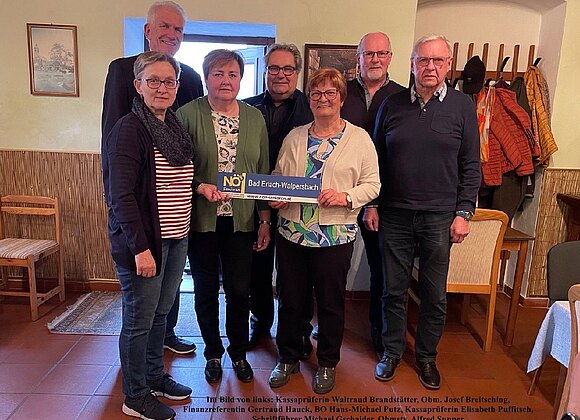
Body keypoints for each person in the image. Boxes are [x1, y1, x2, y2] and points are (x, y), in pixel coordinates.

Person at [368, 34, 481, 390]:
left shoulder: (463, 106)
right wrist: (372, 203)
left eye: (437, 61)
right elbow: (375, 162)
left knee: (434, 294)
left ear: (448, 65)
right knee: (392, 290)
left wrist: (464, 212)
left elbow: (471, 164)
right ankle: (391, 352)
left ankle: (427, 357)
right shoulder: (391, 104)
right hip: (394, 214)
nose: (430, 67)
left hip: (440, 217)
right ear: (412, 64)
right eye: (423, 60)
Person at [268, 68, 380, 394]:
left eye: (330, 93)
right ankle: (287, 357)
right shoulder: (295, 136)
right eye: (316, 93)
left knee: (330, 304)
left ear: (341, 99)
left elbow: (372, 184)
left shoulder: (359, 139)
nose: (323, 99)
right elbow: (279, 176)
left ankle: (328, 362)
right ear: (310, 100)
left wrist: (346, 197)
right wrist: (276, 195)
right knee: (290, 300)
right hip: (292, 233)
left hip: (335, 235)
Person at [101, 0, 203, 355]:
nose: (171, 34)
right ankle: (138, 372)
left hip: (176, 213)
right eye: (164, 26)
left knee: (165, 297)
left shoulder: (190, 77)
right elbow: (112, 138)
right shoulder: (122, 71)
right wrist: (116, 201)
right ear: (148, 30)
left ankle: (164, 338)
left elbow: (189, 138)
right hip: (139, 204)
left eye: (178, 29)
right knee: (140, 309)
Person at [102, 51, 194, 420]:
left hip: (176, 237)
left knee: (160, 314)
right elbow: (121, 196)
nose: (162, 88)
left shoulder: (172, 126)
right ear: (138, 85)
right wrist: (140, 248)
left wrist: (201, 188)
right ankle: (135, 395)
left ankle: (155, 377)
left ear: (177, 86)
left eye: (169, 81)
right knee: (139, 321)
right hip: (145, 244)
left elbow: (175, 182)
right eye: (153, 80)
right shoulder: (129, 129)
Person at [176, 49, 270, 384]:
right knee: (204, 289)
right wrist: (200, 186)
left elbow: (261, 172)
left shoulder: (255, 119)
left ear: (241, 79)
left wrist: (264, 220)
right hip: (201, 220)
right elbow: (175, 169)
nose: (226, 81)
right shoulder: (187, 114)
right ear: (206, 78)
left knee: (239, 290)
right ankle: (213, 353)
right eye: (218, 74)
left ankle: (239, 353)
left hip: (241, 221)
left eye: (232, 74)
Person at [244, 43, 314, 354]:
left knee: (296, 274)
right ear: (265, 71)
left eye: (288, 69)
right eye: (274, 68)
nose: (280, 74)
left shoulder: (312, 108)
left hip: (297, 204)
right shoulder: (246, 108)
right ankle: (260, 322)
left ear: (297, 73)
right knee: (256, 268)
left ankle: (299, 329)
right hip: (255, 203)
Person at [338, 32, 404, 352]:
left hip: (384, 198)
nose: (375, 59)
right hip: (339, 195)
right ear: (358, 58)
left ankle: (379, 333)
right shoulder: (341, 93)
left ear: (390, 57)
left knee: (381, 269)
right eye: (369, 53)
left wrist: (373, 202)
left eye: (381, 53)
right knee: (332, 266)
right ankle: (329, 327)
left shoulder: (403, 98)